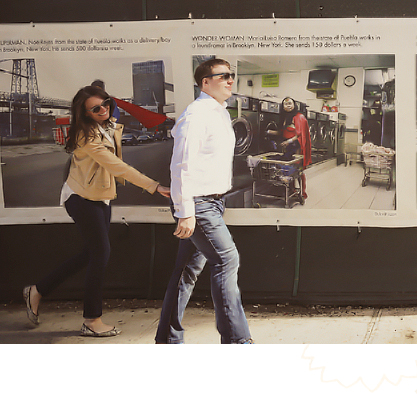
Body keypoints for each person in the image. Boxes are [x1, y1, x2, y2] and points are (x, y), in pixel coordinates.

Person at [24, 85, 169, 337]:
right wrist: (154, 186)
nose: (103, 110)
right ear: (86, 113)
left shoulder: (106, 123)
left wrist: (117, 110)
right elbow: (118, 166)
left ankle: (37, 290)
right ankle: (92, 320)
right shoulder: (87, 136)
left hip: (101, 197)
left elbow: (113, 114)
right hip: (81, 198)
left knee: (91, 254)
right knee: (100, 254)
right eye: (96, 108)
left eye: (106, 104)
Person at [155, 58, 253, 344]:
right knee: (226, 260)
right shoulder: (196, 114)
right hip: (198, 205)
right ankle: (237, 341)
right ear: (205, 82)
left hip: (213, 203)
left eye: (231, 75)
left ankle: (167, 339)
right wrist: (185, 211)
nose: (230, 80)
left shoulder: (219, 112)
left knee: (186, 271)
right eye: (223, 76)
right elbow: (182, 164)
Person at [279, 97, 310, 201]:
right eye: (286, 104)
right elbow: (282, 131)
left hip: (297, 146)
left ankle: (302, 193)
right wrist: (268, 132)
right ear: (283, 106)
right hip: (287, 146)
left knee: (298, 169)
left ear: (294, 105)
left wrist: (288, 141)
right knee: (290, 169)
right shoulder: (285, 117)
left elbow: (300, 134)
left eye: (290, 103)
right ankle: (292, 190)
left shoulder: (299, 117)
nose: (288, 105)